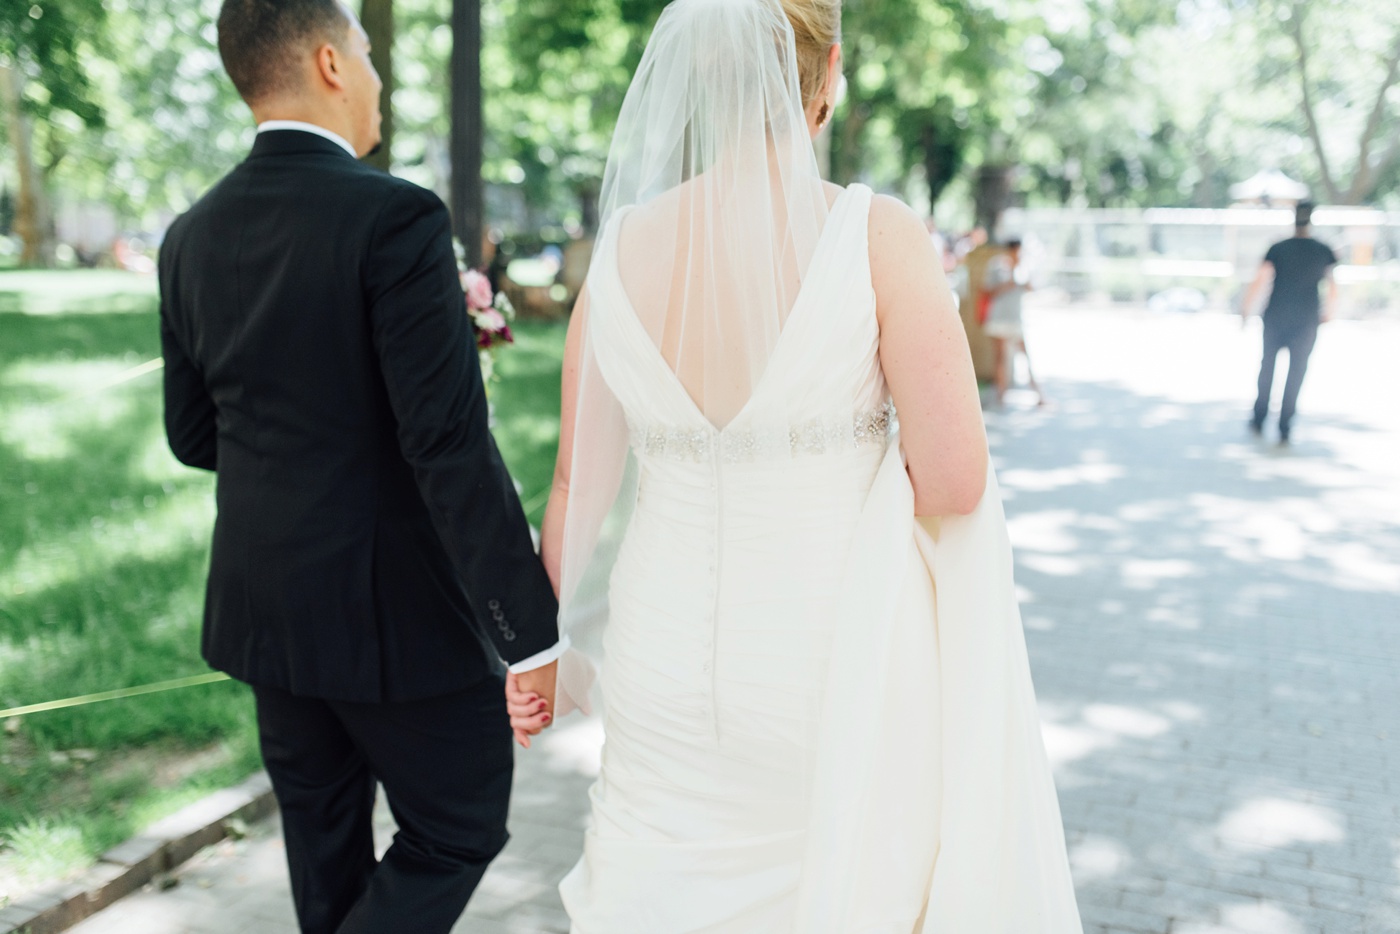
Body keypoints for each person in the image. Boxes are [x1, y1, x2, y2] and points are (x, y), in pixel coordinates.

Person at [510, 0, 1083, 930]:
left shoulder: (619, 254)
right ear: (829, 75)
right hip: (827, 646)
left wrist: (541, 653)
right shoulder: (875, 237)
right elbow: (955, 479)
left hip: (659, 654)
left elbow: (578, 482)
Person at [159, 3, 562, 932]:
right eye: (372, 56)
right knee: (458, 825)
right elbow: (447, 445)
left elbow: (192, 433)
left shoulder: (190, 235)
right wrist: (527, 633)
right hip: (399, 619)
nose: (379, 77)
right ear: (332, 64)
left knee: (324, 854)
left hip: (266, 613)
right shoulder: (399, 218)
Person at [1241, 200, 1338, 444]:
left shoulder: (1279, 247)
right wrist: (1329, 312)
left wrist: (1245, 309)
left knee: (1268, 366)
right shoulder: (1323, 250)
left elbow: (1260, 279)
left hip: (1276, 316)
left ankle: (1259, 417)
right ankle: (1285, 425)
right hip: (1307, 320)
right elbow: (1333, 286)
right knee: (1297, 371)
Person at [982, 238, 1045, 407]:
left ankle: (1039, 395)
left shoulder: (1024, 267)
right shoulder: (996, 265)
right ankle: (1001, 396)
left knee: (1026, 356)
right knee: (1000, 358)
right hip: (998, 318)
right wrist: (1008, 284)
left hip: (1016, 318)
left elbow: (1031, 288)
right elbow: (988, 291)